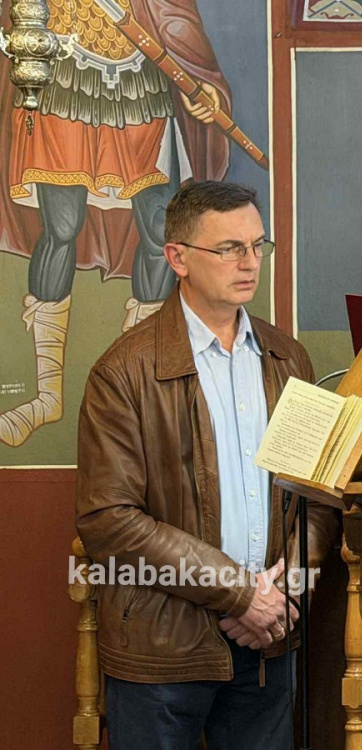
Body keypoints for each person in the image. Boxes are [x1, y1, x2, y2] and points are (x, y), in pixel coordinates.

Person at [75, 181, 337, 749]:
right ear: (178, 258)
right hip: (162, 647)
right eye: (229, 248)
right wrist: (241, 595)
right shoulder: (124, 371)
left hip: (270, 640)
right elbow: (109, 520)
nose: (250, 262)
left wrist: (284, 592)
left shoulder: (288, 360)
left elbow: (313, 497)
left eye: (257, 245)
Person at [0, 0, 231, 447]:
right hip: (63, 76)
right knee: (60, 229)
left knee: (160, 234)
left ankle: (141, 389)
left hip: (139, 79)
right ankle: (48, 397)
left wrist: (200, 79)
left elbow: (172, 13)